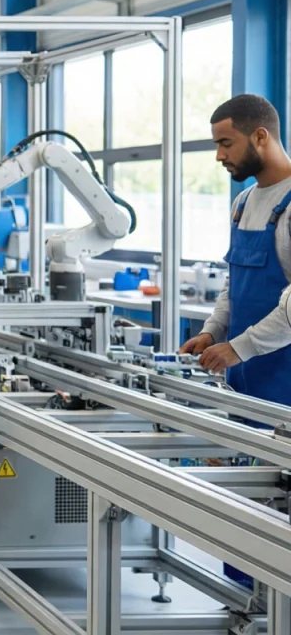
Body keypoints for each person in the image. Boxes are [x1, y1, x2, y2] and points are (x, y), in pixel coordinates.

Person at [179, 92, 291, 590]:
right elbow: (233, 285)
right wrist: (211, 332)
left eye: (226, 143)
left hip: (284, 383)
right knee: (241, 495)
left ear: (260, 137)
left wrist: (238, 347)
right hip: (244, 382)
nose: (220, 155)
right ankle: (242, 602)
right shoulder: (244, 202)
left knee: (280, 499)